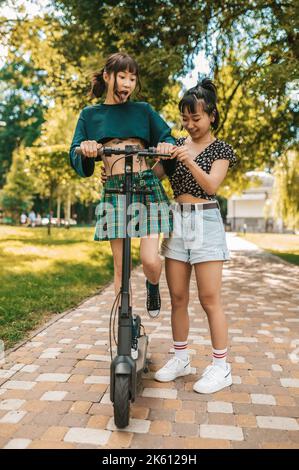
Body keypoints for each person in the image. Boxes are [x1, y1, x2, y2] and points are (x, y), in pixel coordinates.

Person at [69, 52, 176, 318]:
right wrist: (87, 148)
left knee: (150, 260)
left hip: (146, 186)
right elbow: (74, 151)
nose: (128, 84)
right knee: (121, 267)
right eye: (122, 77)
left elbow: (169, 138)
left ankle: (153, 284)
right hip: (115, 190)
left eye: (132, 78)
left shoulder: (144, 111)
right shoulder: (90, 115)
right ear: (107, 77)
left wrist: (165, 145)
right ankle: (124, 328)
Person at [153, 79, 238, 394]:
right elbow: (152, 175)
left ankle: (221, 367)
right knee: (177, 296)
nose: (189, 125)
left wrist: (186, 158)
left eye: (196, 118)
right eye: (185, 119)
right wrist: (161, 154)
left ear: (211, 116)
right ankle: (181, 358)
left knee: (209, 298)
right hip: (177, 221)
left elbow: (211, 186)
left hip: (206, 220)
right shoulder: (176, 146)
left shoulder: (220, 149)